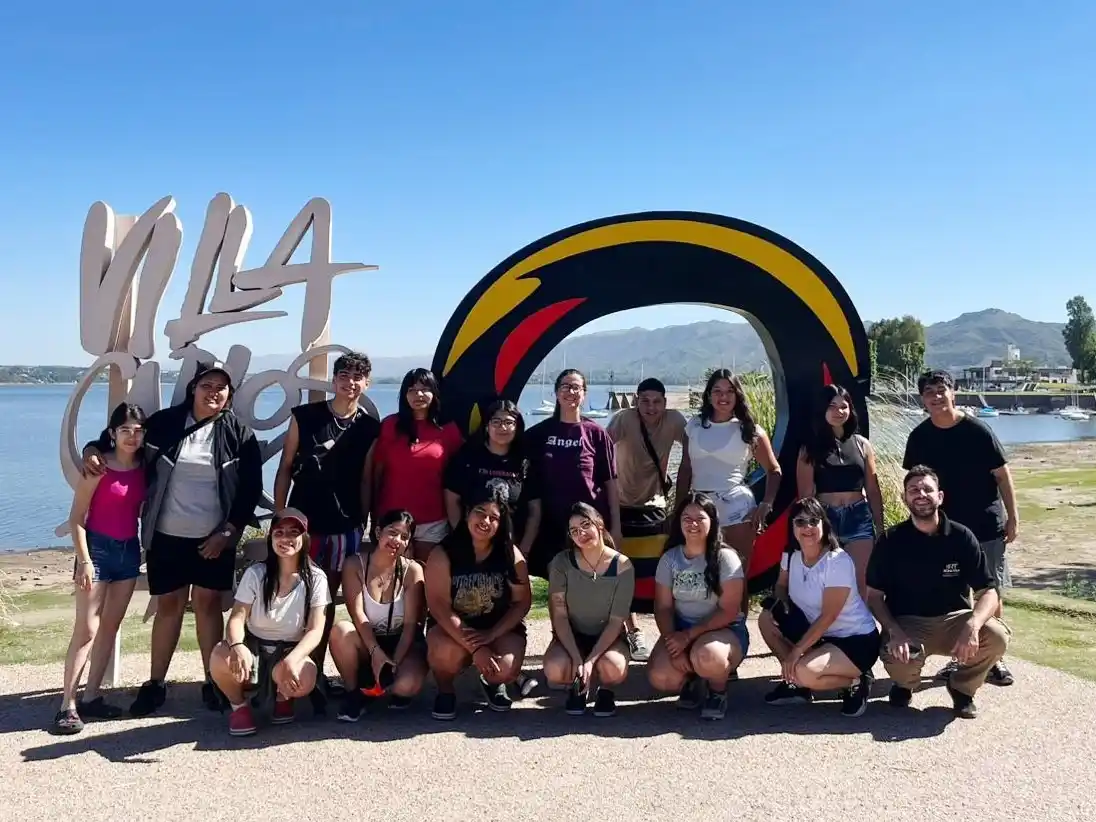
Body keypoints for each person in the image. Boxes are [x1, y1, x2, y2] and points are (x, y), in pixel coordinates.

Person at [81, 361, 263, 716]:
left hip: (214, 538)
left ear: (230, 394)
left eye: (222, 387)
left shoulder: (238, 433)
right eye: (207, 385)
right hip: (166, 536)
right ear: (193, 388)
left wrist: (226, 533)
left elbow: (250, 488)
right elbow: (122, 443)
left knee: (209, 606)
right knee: (169, 607)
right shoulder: (164, 424)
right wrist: (92, 448)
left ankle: (214, 682)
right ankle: (155, 684)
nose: (214, 392)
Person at [274, 351, 380, 703]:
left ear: (366, 384)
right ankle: (289, 672)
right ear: (334, 381)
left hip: (345, 525)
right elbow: (285, 466)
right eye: (345, 376)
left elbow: (366, 478)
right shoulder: (305, 416)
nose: (351, 383)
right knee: (296, 595)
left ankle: (316, 674)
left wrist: (365, 522)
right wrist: (279, 514)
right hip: (304, 525)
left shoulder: (368, 427)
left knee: (329, 600)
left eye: (358, 377)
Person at [866, 466, 1010, 719]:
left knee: (997, 636)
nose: (920, 494)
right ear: (904, 498)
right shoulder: (891, 540)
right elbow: (874, 596)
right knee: (896, 655)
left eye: (927, 489)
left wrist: (973, 625)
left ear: (940, 496)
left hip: (955, 620)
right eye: (913, 490)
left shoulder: (961, 536)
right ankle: (905, 685)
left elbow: (989, 590)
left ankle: (962, 688)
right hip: (909, 624)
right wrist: (894, 631)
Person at [903, 369, 1018, 686]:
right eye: (929, 392)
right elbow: (914, 484)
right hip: (946, 528)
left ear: (953, 392)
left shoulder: (978, 431)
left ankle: (994, 659)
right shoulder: (920, 437)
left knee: (989, 590)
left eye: (941, 390)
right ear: (922, 399)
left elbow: (1003, 475)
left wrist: (1013, 517)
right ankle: (962, 657)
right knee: (956, 592)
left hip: (985, 524)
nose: (936, 397)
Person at [54, 403, 148, 734]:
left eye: (138, 431)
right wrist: (84, 560)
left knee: (111, 626)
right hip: (96, 549)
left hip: (128, 552)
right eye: (125, 431)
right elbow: (77, 517)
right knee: (87, 630)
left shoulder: (144, 466)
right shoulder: (98, 467)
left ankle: (93, 696)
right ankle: (68, 704)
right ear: (112, 433)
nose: (132, 437)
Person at [209, 508, 330, 736]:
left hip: (289, 648)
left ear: (304, 539)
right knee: (219, 655)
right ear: (271, 538)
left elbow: (316, 629)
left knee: (305, 675)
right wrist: (237, 646)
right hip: (255, 646)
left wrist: (293, 659)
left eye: (294, 533)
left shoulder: (316, 578)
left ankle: (283, 698)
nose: (286, 539)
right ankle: (239, 707)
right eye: (279, 532)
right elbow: (237, 617)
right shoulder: (256, 574)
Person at [758, 497, 880, 717]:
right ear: (792, 527)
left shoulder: (836, 561)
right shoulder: (791, 555)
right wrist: (780, 602)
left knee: (804, 671)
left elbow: (828, 616)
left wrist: (796, 652)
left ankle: (856, 682)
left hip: (854, 640)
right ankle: (795, 683)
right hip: (819, 633)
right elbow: (781, 585)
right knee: (766, 619)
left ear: (824, 524)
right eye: (800, 522)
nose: (807, 527)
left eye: (814, 521)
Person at [676, 369, 781, 617]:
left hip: (737, 508)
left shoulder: (750, 431)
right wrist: (679, 508)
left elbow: (774, 470)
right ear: (709, 395)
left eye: (729, 392)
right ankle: (702, 628)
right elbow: (685, 470)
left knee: (735, 575)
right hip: (699, 508)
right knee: (701, 572)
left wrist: (767, 503)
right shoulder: (693, 426)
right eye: (717, 391)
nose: (723, 397)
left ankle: (737, 632)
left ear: (737, 395)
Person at [424, 484, 532, 720]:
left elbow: (522, 603)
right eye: (480, 512)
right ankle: (445, 690)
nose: (485, 521)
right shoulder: (444, 553)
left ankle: (493, 683)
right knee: (445, 652)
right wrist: (476, 647)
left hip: (497, 627)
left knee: (506, 666)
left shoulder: (509, 554)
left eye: (494, 517)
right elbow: (438, 605)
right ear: (467, 513)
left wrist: (492, 635)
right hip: (452, 627)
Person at [605, 377, 688, 661]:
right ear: (636, 401)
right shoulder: (623, 421)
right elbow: (601, 450)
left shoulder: (675, 421)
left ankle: (673, 633)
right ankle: (632, 631)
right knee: (620, 570)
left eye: (656, 401)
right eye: (644, 401)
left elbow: (697, 448)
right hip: (621, 504)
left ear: (665, 403)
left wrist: (682, 500)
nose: (650, 407)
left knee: (659, 572)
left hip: (655, 506)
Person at [647, 492, 749, 721]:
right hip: (682, 628)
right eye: (686, 518)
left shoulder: (726, 558)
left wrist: (688, 637)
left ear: (712, 522)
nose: (693, 524)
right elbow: (663, 608)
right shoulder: (669, 559)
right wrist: (673, 641)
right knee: (661, 677)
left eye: (700, 518)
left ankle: (717, 691)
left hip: (723, 630)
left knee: (708, 655)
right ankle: (692, 680)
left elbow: (729, 611)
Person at [330, 509, 429, 721]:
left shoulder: (413, 571)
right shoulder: (354, 564)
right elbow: (357, 614)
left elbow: (412, 624)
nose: (397, 540)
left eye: (404, 537)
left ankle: (387, 683)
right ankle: (353, 691)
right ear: (377, 531)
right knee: (340, 631)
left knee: (407, 685)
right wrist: (375, 652)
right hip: (368, 640)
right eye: (392, 532)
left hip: (401, 641)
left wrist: (392, 664)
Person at [524, 369, 621, 581]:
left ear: (584, 393)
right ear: (556, 393)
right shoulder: (538, 434)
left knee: (593, 583)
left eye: (576, 387)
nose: (571, 391)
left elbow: (611, 483)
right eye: (565, 386)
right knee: (558, 586)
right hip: (552, 526)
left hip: (589, 525)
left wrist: (616, 527)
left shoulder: (595, 433)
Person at [543, 503, 635, 717]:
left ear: (600, 525)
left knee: (613, 666)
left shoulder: (622, 566)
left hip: (608, 637)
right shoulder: (561, 563)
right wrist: (576, 657)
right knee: (555, 668)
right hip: (573, 635)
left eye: (585, 525)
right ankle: (578, 684)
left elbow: (616, 620)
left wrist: (591, 660)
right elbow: (560, 615)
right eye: (574, 531)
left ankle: (606, 689)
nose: (581, 533)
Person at [795, 384, 884, 595]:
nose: (839, 412)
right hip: (826, 518)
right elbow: (806, 495)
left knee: (861, 578)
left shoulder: (862, 445)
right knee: (826, 578)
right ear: (822, 409)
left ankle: (862, 626)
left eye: (843, 406)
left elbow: (872, 489)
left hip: (858, 516)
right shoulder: (809, 448)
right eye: (832, 406)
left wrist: (879, 525)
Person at [368, 368, 463, 563]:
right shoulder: (390, 425)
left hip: (433, 521)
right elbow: (377, 473)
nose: (418, 394)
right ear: (404, 395)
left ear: (434, 393)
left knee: (424, 580)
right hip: (393, 519)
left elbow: (459, 476)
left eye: (424, 389)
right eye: (411, 389)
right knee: (393, 580)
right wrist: (374, 514)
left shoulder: (449, 430)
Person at [444, 398, 539, 558]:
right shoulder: (467, 456)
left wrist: (524, 549)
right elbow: (452, 500)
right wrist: (462, 536)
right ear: (487, 426)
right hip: (472, 544)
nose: (503, 427)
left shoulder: (525, 461)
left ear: (517, 427)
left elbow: (534, 510)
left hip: (512, 545)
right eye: (496, 422)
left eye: (509, 422)